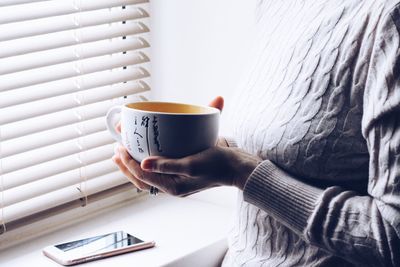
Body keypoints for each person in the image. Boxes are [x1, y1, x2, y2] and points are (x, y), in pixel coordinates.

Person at [112, 0, 400, 266]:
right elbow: (293, 146)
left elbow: (392, 238)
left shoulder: (389, 20)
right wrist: (199, 156)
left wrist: (240, 172)